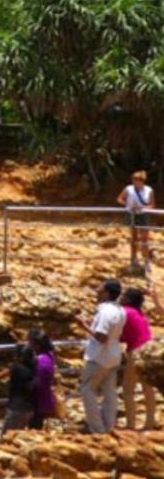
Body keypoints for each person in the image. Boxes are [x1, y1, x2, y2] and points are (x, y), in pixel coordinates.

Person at [80, 279, 127, 434]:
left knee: (87, 390)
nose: (97, 289)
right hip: (114, 355)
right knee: (109, 393)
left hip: (99, 356)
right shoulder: (120, 310)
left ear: (106, 292)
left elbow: (101, 337)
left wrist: (84, 325)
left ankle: (98, 429)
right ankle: (109, 427)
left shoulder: (105, 311)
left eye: (100, 287)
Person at [120, 287, 158, 431]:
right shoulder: (140, 313)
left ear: (128, 300)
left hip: (135, 351)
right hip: (149, 351)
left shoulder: (125, 312)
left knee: (128, 389)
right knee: (148, 388)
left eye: (123, 296)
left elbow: (119, 334)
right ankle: (150, 423)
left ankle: (131, 425)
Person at [0, 345, 38, 433]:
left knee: (6, 436)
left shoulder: (15, 368)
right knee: (18, 434)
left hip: (16, 408)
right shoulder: (35, 368)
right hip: (29, 409)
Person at [118, 170, 155, 265]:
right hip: (132, 214)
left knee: (144, 239)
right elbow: (119, 199)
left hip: (143, 214)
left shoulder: (149, 190)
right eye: (133, 180)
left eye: (137, 180)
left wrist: (142, 207)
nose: (134, 182)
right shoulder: (128, 189)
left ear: (142, 181)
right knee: (134, 238)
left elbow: (152, 205)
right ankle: (134, 258)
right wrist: (129, 204)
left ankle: (146, 260)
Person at [28, 329, 59, 429]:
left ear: (37, 345)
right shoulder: (50, 356)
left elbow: (37, 382)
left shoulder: (38, 361)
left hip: (37, 399)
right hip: (45, 397)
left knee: (34, 425)